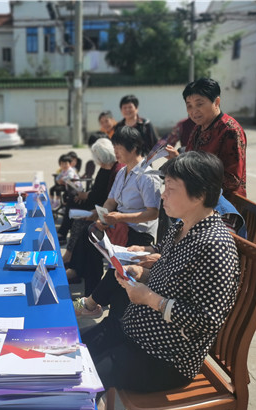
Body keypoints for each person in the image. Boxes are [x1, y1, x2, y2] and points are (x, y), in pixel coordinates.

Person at [82, 151, 240, 396]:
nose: (162, 195)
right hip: (135, 331)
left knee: (83, 379)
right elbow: (167, 274)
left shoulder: (215, 246)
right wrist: (140, 274)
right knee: (75, 348)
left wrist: (150, 299)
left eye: (170, 188)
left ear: (199, 194)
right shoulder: (181, 226)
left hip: (166, 356)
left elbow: (207, 321)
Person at [69, 126, 161, 297]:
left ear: (133, 148)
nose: (115, 152)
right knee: (90, 235)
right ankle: (89, 289)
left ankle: (94, 296)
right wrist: (103, 217)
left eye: (119, 148)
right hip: (119, 225)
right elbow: (111, 201)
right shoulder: (121, 172)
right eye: (114, 147)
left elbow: (153, 213)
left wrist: (120, 217)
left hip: (137, 233)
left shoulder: (148, 176)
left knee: (114, 262)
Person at [166, 78, 247, 198]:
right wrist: (177, 160)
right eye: (189, 106)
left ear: (216, 102)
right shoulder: (198, 128)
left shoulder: (230, 130)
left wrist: (193, 174)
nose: (194, 111)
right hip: (198, 198)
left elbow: (232, 180)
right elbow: (190, 161)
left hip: (222, 204)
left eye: (199, 104)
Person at [62, 138, 123, 295]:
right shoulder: (106, 169)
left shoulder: (117, 171)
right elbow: (102, 195)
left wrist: (98, 213)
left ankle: (74, 267)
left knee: (86, 232)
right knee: (79, 220)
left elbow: (110, 200)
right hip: (102, 210)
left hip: (112, 216)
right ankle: (75, 267)